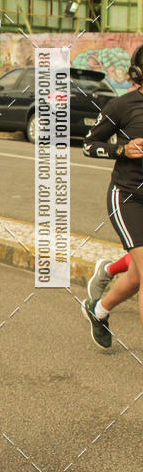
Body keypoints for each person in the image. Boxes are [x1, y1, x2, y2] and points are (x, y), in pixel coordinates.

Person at [81, 43, 143, 348]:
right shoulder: (123, 106)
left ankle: (99, 310)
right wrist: (123, 149)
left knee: (135, 277)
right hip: (127, 196)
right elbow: (89, 144)